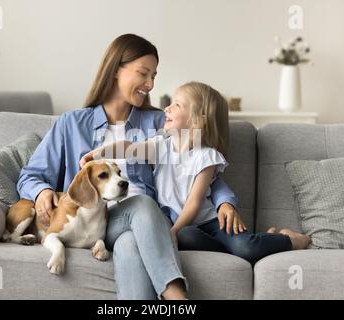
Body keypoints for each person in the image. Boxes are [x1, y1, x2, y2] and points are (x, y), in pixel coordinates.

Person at [17, 34, 241, 300]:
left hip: (140, 226)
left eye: (154, 76)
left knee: (131, 240)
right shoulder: (71, 123)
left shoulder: (160, 122)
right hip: (93, 222)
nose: (150, 84)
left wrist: (225, 202)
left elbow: (200, 164)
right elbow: (30, 176)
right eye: (143, 74)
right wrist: (41, 191)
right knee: (143, 204)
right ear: (115, 70)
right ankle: (177, 297)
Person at [81, 81, 311, 264]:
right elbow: (129, 148)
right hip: (186, 229)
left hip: (210, 222)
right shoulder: (161, 145)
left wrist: (173, 230)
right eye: (169, 104)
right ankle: (264, 241)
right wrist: (101, 151)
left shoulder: (206, 156)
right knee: (186, 237)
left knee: (245, 247)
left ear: (197, 120)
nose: (166, 109)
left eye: (177, 106)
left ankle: (289, 239)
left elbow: (194, 202)